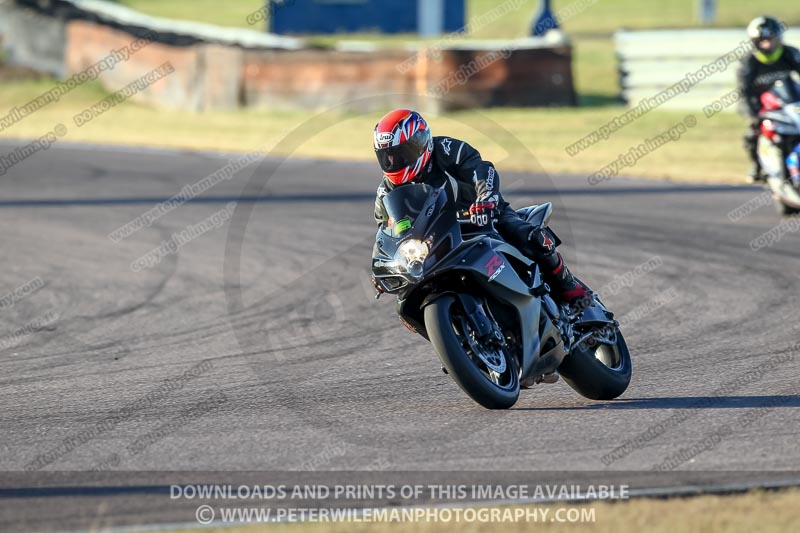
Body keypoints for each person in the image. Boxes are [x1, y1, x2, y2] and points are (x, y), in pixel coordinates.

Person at [370, 109, 590, 307]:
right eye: (386, 156)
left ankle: (569, 286)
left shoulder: (446, 149)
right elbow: (386, 232)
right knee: (410, 297)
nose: (393, 161)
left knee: (526, 236)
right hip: (437, 238)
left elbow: (480, 168)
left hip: (480, 215)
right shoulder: (386, 192)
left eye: (400, 153)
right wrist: (384, 265)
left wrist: (485, 198)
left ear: (420, 144)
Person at [737, 16, 800, 182]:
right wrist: (753, 114)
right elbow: (744, 92)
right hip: (763, 106)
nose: (767, 45)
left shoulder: (790, 54)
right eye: (762, 41)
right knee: (752, 134)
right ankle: (757, 165)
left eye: (770, 40)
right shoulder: (748, 63)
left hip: (789, 102)